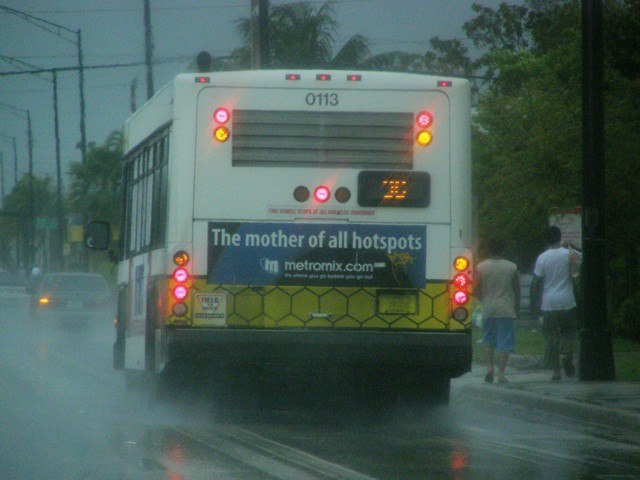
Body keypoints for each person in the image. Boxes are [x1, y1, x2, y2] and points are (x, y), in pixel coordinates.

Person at [530, 226, 582, 381]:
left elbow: (537, 282)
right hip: (567, 301)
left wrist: (535, 304)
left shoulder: (543, 258)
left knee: (551, 338)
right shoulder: (569, 254)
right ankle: (567, 355)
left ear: (546, 240)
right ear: (560, 237)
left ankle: (556, 372)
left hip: (549, 303)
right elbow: (582, 261)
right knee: (569, 333)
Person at [475, 237, 521, 384]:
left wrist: (483, 298)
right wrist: (516, 309)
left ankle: (489, 368)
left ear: (488, 249)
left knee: (488, 339)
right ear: (503, 249)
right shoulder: (512, 267)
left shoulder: (481, 267)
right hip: (506, 309)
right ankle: (501, 374)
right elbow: (517, 290)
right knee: (505, 342)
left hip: (488, 308)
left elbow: (476, 288)